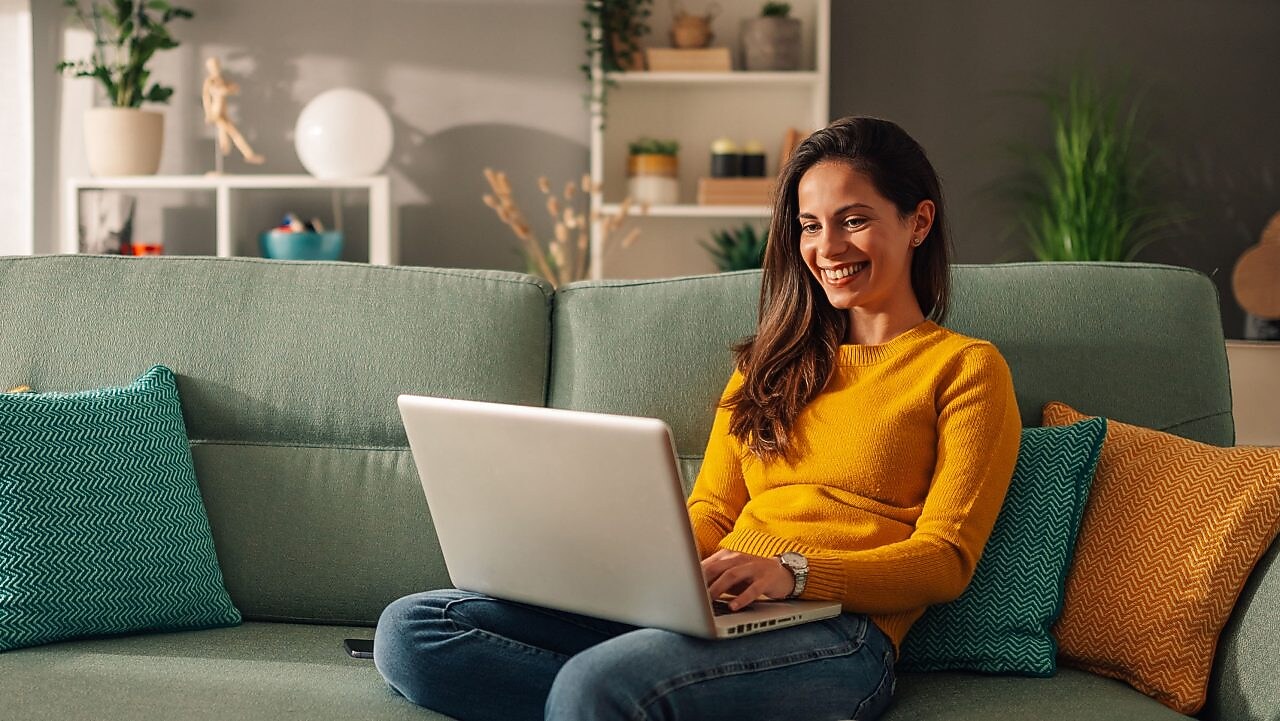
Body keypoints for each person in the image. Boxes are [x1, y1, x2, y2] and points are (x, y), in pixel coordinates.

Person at [373, 116, 1023, 721]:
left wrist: (794, 570)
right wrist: (639, 572)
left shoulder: (964, 367)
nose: (827, 247)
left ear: (918, 221)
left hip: (840, 634)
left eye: (853, 220)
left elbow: (943, 561)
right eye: (809, 225)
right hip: (709, 608)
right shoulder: (769, 364)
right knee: (414, 629)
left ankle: (613, 696)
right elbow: (712, 510)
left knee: (600, 683)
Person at [201, 56, 265, 168]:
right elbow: (206, 98)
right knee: (233, 133)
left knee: (228, 132)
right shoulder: (210, 81)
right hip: (216, 112)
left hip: (223, 111)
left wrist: (227, 90)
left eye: (216, 65)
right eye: (212, 66)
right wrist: (208, 113)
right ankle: (246, 154)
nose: (215, 68)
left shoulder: (222, 80)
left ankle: (229, 149)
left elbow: (233, 88)